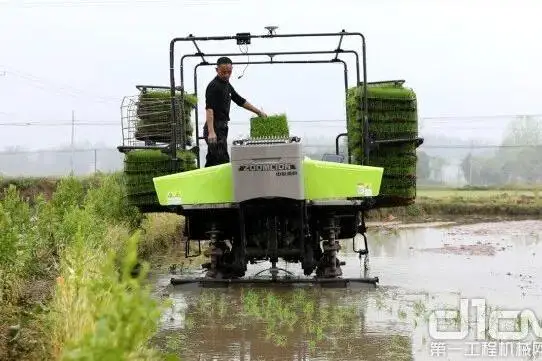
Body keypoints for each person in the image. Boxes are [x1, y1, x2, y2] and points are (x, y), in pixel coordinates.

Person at [203, 56, 267, 167]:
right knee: (222, 161)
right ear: (217, 70)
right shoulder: (213, 86)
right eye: (223, 72)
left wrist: (258, 112)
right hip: (215, 128)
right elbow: (209, 110)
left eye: (229, 72)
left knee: (212, 160)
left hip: (222, 128)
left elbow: (240, 100)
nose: (227, 75)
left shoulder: (227, 85)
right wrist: (211, 132)